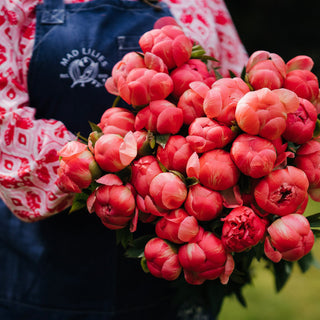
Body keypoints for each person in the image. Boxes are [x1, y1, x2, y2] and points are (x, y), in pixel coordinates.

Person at [0, 0, 248, 319]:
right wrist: (129, 176)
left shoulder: (198, 4)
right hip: (37, 276)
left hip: (170, 277)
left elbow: (236, 98)